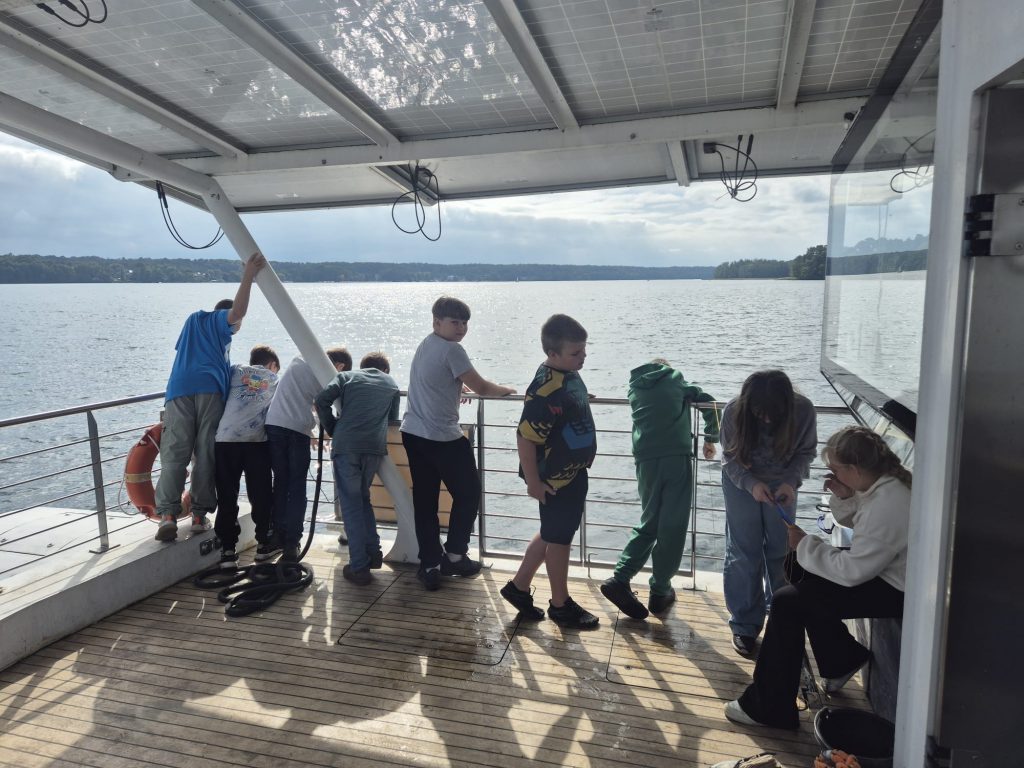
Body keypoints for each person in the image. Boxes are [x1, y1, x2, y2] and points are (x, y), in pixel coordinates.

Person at [725, 426, 912, 729]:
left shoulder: (889, 503)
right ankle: (840, 659)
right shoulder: (884, 486)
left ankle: (769, 706)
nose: (832, 475)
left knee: (787, 602)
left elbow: (852, 572)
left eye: (836, 470)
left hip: (896, 590)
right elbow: (865, 528)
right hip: (887, 574)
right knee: (800, 571)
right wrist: (845, 495)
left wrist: (805, 544)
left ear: (854, 469)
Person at [400, 296, 516, 591]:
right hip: (441, 436)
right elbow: (483, 387)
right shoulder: (453, 350)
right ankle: (454, 555)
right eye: (455, 322)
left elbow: (432, 378)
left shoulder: (427, 343)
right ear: (437, 322)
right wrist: (509, 390)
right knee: (469, 493)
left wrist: (456, 384)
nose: (461, 328)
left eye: (464, 323)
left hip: (413, 433)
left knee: (425, 501)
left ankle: (430, 565)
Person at [154, 252, 266, 542]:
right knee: (205, 454)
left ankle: (167, 516)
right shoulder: (217, 322)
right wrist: (248, 275)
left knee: (175, 453)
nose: (236, 329)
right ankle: (198, 515)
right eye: (235, 327)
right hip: (209, 392)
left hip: (178, 391)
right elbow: (237, 312)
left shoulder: (192, 323)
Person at [500, 314, 600, 628]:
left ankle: (518, 588)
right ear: (553, 354)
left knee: (552, 532)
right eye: (576, 352)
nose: (583, 356)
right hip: (556, 479)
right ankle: (560, 604)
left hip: (572, 472)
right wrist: (533, 482)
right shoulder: (546, 389)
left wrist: (579, 399)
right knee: (560, 539)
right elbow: (525, 436)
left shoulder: (567, 375)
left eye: (584, 350)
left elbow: (564, 401)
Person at [600, 358, 720, 620]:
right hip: (675, 458)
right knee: (672, 527)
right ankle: (660, 590)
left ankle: (621, 577)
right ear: (666, 368)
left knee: (650, 520)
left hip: (645, 459)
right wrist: (711, 438)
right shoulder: (675, 379)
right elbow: (710, 403)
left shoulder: (634, 387)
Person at [720, 369, 817, 655]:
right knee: (743, 552)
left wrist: (790, 481)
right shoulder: (733, 411)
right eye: (759, 413)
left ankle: (781, 621)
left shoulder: (804, 410)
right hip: (740, 484)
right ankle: (744, 625)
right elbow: (729, 458)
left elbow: (806, 452)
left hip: (783, 485)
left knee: (782, 552)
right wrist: (751, 484)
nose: (766, 420)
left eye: (773, 413)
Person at [314, 351, 400, 585]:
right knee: (363, 500)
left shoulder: (347, 377)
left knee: (351, 505)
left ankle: (359, 566)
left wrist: (332, 428)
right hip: (373, 448)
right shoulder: (391, 383)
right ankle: (373, 553)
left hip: (346, 447)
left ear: (363, 366)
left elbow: (321, 400)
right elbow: (392, 420)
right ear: (385, 370)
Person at [265, 347, 352, 562]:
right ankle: (292, 543)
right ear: (340, 365)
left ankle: (276, 535)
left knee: (280, 483)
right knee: (296, 487)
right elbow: (321, 404)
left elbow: (300, 396)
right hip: (297, 431)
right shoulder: (326, 374)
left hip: (274, 424)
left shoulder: (299, 358)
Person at [213, 344, 280, 568]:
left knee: (226, 495)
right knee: (260, 494)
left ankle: (227, 551)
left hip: (225, 440)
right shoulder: (273, 379)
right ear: (272, 365)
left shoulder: (235, 370)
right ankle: (263, 545)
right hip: (256, 442)